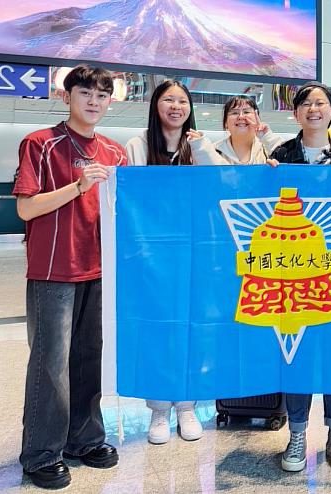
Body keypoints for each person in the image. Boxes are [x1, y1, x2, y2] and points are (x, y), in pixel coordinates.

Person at [13, 64, 126, 490]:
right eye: (85, 94)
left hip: (100, 271)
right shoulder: (40, 143)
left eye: (102, 95)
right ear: (66, 97)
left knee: (88, 361)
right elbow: (26, 208)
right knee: (50, 365)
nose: (94, 102)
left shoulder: (114, 153)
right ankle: (41, 453)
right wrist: (76, 187)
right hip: (53, 271)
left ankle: (85, 438)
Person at [267, 81, 331, 474]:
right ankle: (296, 435)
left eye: (320, 103)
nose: (313, 109)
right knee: (297, 354)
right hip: (292, 278)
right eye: (306, 103)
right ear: (295, 113)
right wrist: (266, 176)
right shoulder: (281, 154)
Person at [125, 80, 205, 445]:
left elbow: (222, 182)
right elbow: (134, 200)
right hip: (152, 258)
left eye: (182, 101)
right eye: (168, 99)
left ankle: (186, 405)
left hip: (194, 256)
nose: (176, 106)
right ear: (156, 105)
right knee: (157, 330)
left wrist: (202, 148)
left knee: (191, 329)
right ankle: (159, 409)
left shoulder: (198, 145)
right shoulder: (138, 145)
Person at [188, 95, 283, 165]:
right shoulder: (212, 151)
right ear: (225, 123)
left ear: (257, 117)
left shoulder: (268, 150)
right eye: (234, 113)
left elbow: (288, 160)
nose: (241, 116)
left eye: (246, 112)